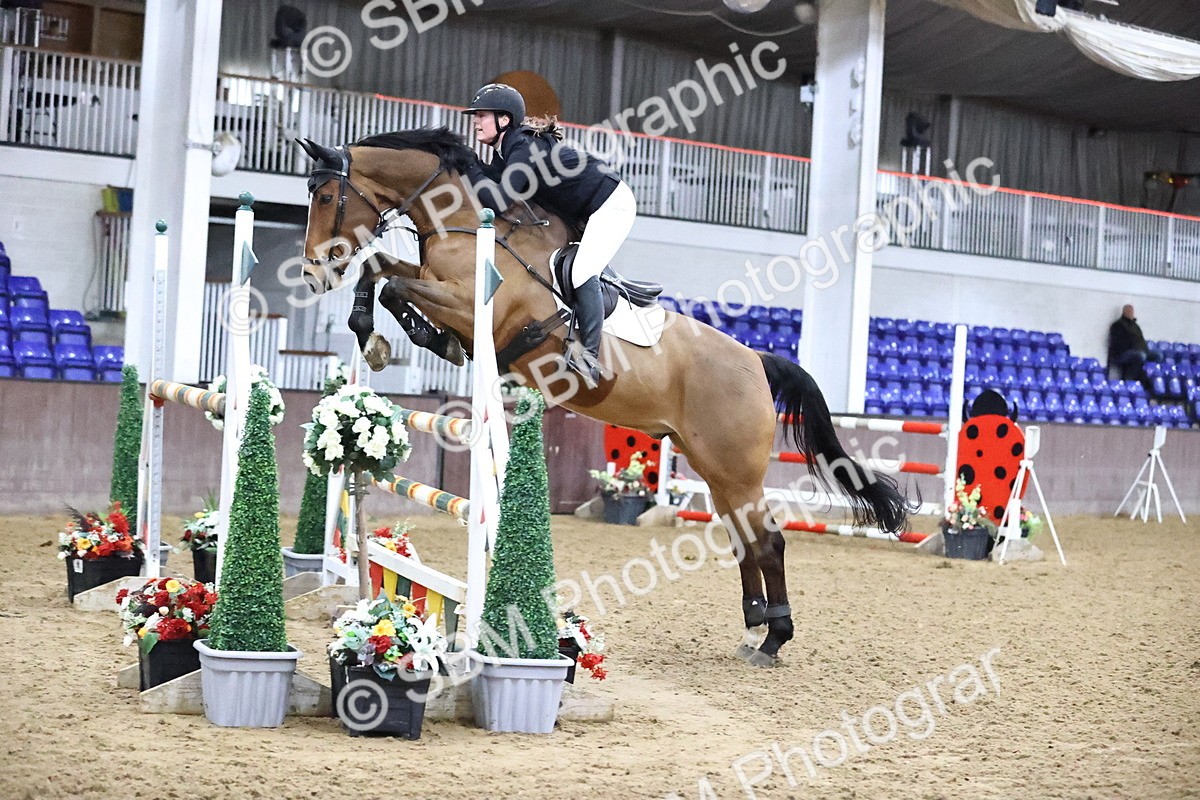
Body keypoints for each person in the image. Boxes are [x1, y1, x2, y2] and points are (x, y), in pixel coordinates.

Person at [461, 83, 637, 388]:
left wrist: (470, 165)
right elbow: (490, 184)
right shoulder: (507, 150)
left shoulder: (523, 147)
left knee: (582, 270)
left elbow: (499, 200)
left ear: (504, 119)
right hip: (587, 209)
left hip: (611, 204)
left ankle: (589, 357)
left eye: (482, 115)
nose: (476, 121)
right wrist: (469, 163)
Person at [1107, 304, 1160, 381]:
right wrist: (1135, 349)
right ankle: (1130, 379)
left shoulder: (1135, 326)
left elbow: (1141, 340)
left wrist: (1145, 349)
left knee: (1158, 355)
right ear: (1124, 312)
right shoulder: (1117, 325)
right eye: (1129, 311)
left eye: (1131, 311)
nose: (1131, 313)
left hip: (1140, 350)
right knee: (1140, 356)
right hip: (1124, 352)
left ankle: (1150, 377)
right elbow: (1118, 343)